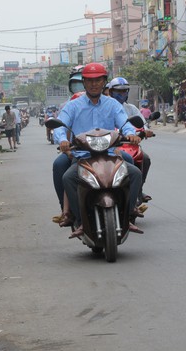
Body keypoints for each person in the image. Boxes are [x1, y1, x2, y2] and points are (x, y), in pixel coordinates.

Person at [54, 63, 144, 237]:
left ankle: (128, 215)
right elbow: (61, 124)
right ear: (84, 82)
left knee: (134, 173)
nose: (94, 84)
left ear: (104, 82)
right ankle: (76, 218)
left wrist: (131, 134)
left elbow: (124, 122)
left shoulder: (113, 105)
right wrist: (63, 139)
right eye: (89, 80)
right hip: (82, 156)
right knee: (67, 176)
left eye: (98, 80)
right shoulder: (73, 105)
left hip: (110, 154)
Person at [108, 77, 153, 203]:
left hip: (129, 145)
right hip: (110, 145)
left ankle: (138, 189)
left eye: (124, 91)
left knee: (144, 158)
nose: (122, 94)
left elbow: (142, 123)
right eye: (118, 91)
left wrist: (145, 130)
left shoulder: (131, 108)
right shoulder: (105, 106)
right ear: (111, 91)